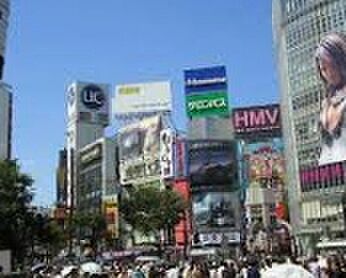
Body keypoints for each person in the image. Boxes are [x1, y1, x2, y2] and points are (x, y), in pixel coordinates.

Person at [316, 32, 346, 165]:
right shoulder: (325, 104)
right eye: (323, 69)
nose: (329, 73)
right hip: (330, 170)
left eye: (332, 66)